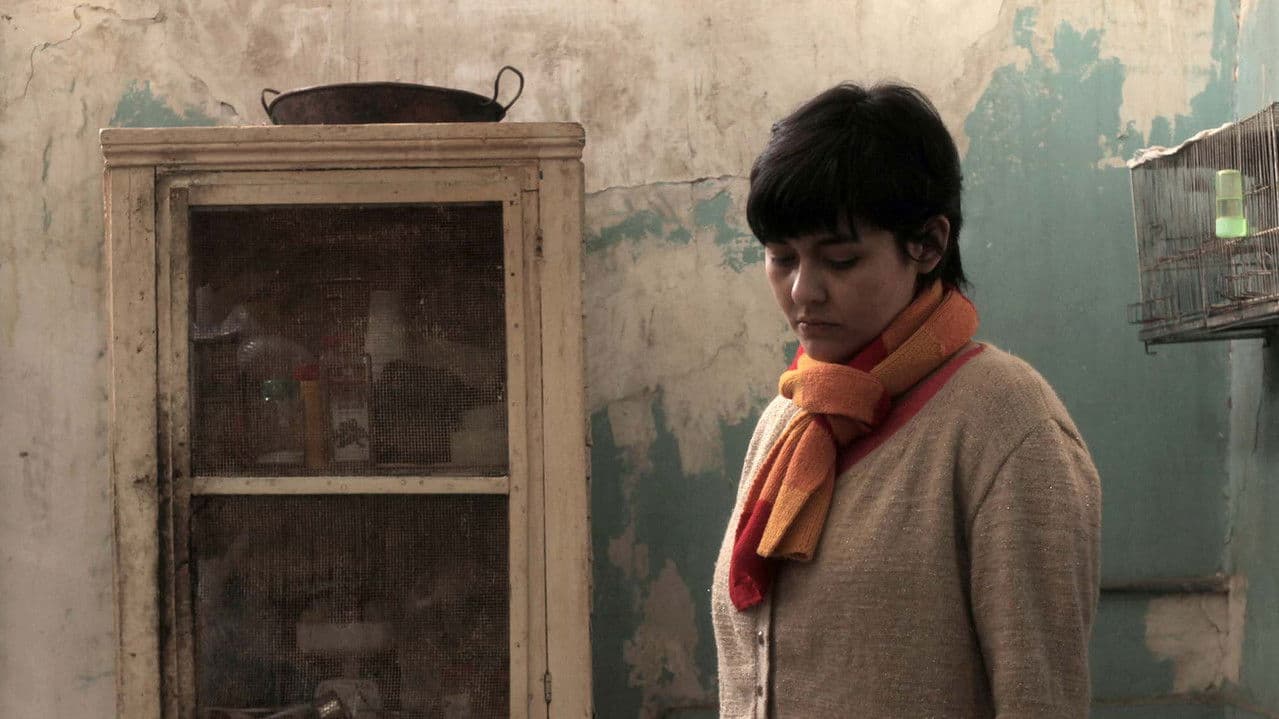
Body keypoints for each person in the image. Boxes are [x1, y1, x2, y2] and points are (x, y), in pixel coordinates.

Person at [710, 82, 1102, 718]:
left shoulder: (1007, 424)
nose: (803, 291)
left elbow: (1040, 697)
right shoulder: (788, 420)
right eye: (781, 258)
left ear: (928, 244)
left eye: (840, 260)